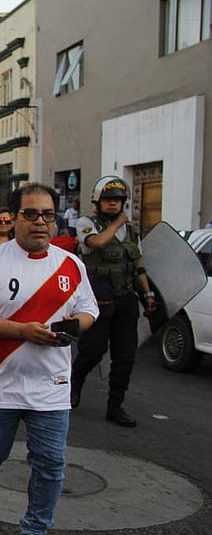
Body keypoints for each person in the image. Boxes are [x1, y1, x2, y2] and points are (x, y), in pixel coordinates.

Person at [0, 183, 98, 535]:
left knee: (51, 463)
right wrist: (22, 331)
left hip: (50, 384)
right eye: (31, 214)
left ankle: (34, 534)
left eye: (47, 214)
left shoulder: (71, 265)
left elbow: (89, 309)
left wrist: (73, 327)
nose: (40, 222)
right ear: (14, 217)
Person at [70, 176, 157, 427]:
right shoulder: (87, 223)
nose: (113, 204)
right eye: (108, 199)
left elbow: (138, 265)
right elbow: (96, 243)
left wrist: (148, 294)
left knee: (125, 356)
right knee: (92, 351)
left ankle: (115, 406)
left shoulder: (131, 231)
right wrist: (118, 223)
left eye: (118, 200)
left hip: (125, 300)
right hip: (98, 301)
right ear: (98, 201)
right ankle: (74, 384)